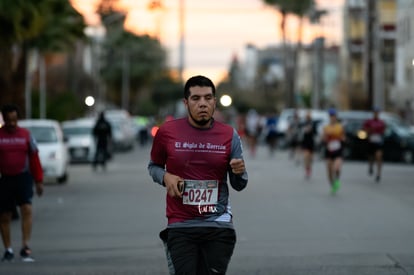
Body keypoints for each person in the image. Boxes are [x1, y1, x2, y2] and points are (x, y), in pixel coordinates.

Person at [148, 75, 248, 275]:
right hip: (180, 225)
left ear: (214, 101)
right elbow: (154, 167)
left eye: (208, 98)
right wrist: (166, 177)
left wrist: (239, 172)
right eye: (196, 98)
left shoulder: (229, 135)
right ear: (186, 103)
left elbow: (239, 184)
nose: (202, 103)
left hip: (218, 224)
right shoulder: (168, 132)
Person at [0, 104, 44, 262]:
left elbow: (34, 158)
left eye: (14, 120)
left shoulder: (26, 135)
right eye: (8, 120)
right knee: (5, 215)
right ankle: (8, 249)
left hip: (22, 177)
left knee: (26, 209)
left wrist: (39, 180)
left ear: (17, 119)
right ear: (3, 119)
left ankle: (25, 245)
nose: (11, 123)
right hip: (4, 179)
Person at [322, 108, 345, 194]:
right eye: (331, 116)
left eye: (334, 116)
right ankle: (332, 185)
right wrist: (326, 138)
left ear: (336, 117)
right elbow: (323, 139)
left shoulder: (340, 127)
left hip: (338, 150)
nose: (332, 117)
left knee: (337, 167)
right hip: (329, 151)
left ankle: (337, 180)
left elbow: (343, 137)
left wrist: (341, 138)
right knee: (329, 170)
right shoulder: (326, 127)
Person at [363, 107, 386, 182]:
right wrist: (369, 130)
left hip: (378, 142)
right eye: (375, 112)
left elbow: (384, 131)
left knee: (379, 156)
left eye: (377, 112)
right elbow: (364, 130)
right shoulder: (369, 122)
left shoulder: (381, 122)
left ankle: (378, 174)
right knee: (371, 157)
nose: (376, 114)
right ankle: (371, 166)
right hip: (371, 141)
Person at [300, 111, 317, 179]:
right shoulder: (303, 123)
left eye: (309, 116)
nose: (308, 117)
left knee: (311, 158)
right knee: (306, 157)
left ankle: (309, 168)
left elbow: (316, 132)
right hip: (305, 142)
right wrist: (305, 130)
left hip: (311, 142)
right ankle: (307, 170)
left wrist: (311, 130)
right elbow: (301, 132)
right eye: (307, 116)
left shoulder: (313, 123)